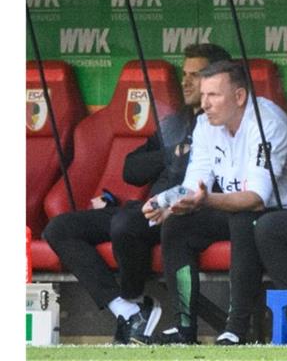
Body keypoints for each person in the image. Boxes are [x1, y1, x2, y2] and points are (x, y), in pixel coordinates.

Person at [42, 43, 231, 344]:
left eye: (196, 75)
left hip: (186, 215)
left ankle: (135, 297)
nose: (186, 82)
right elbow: (132, 170)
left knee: (126, 223)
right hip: (147, 209)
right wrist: (171, 153)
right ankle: (129, 308)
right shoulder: (175, 124)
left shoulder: (226, 122)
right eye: (185, 74)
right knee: (60, 228)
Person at [145, 60, 287, 345]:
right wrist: (164, 201)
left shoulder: (267, 123)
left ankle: (236, 328)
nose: (204, 104)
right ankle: (184, 326)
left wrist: (205, 200)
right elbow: (194, 183)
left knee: (245, 219)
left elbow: (255, 199)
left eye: (213, 95)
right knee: (177, 225)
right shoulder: (205, 124)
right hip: (249, 209)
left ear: (239, 96)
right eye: (203, 96)